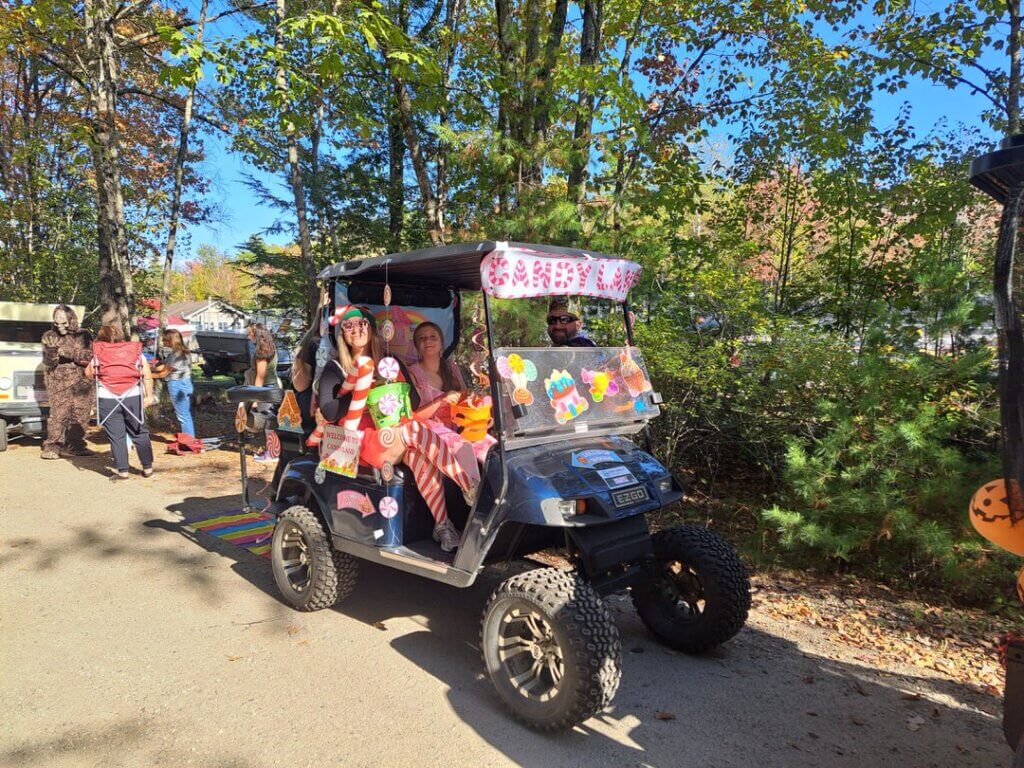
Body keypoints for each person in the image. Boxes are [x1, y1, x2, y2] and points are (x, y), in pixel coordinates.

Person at [316, 306, 478, 552]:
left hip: (395, 434)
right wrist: (363, 390)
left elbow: (411, 402)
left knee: (419, 457)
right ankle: (469, 486)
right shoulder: (336, 368)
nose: (356, 330)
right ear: (342, 334)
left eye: (362, 324)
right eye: (349, 326)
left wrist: (391, 391)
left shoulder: (390, 363)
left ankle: (443, 526)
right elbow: (329, 410)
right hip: (362, 440)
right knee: (413, 429)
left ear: (372, 330)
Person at [87, 324, 155, 479]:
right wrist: (149, 396)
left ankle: (123, 471)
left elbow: (89, 374)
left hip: (108, 399)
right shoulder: (135, 353)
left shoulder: (99, 355)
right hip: (132, 397)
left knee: (117, 436)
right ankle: (147, 468)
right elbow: (147, 375)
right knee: (139, 432)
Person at [40, 305, 94, 460]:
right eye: (57, 323)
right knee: (58, 415)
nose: (60, 327)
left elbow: (88, 357)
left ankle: (76, 445)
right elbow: (49, 363)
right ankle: (53, 446)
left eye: (64, 323)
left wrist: (65, 353)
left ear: (71, 319)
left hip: (82, 382)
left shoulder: (84, 335)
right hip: (58, 382)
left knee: (80, 415)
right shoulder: (49, 335)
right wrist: (51, 352)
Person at [151, 329, 195, 437]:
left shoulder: (176, 355)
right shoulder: (182, 352)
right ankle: (190, 439)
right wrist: (150, 368)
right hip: (186, 383)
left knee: (183, 416)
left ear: (170, 341)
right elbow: (164, 367)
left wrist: (147, 376)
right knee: (185, 414)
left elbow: (163, 374)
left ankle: (189, 441)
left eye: (165, 340)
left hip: (177, 384)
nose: (164, 343)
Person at [289, 319, 322, 434]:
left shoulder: (307, 341)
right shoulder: (318, 344)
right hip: (312, 402)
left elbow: (298, 384)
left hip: (302, 398)